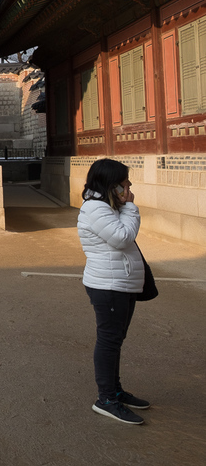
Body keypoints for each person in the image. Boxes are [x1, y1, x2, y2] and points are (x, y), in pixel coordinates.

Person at [78, 158, 150, 425]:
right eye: (123, 182)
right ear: (110, 184)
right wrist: (130, 206)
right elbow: (122, 238)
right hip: (108, 286)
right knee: (109, 342)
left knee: (115, 341)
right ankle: (106, 399)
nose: (128, 186)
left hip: (119, 283)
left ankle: (115, 391)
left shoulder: (108, 206)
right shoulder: (96, 208)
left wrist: (123, 205)